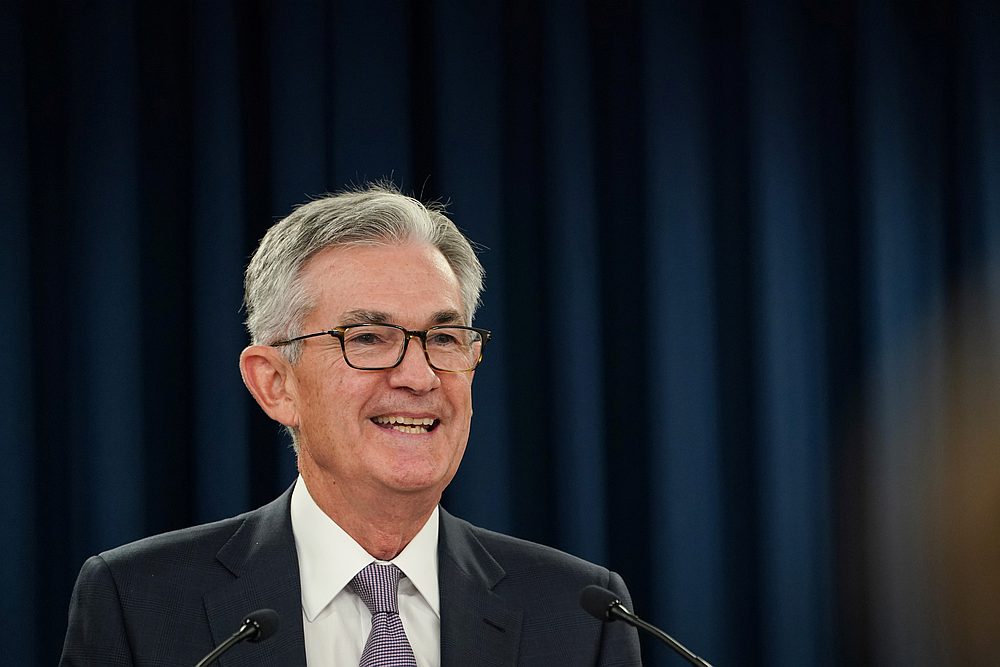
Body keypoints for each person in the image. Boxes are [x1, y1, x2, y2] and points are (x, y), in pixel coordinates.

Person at [60, 184, 642, 665]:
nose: (419, 376)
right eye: (367, 338)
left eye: (443, 338)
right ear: (275, 383)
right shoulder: (137, 603)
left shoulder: (581, 616)